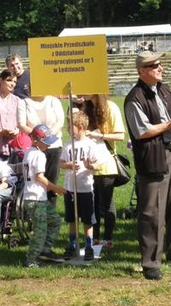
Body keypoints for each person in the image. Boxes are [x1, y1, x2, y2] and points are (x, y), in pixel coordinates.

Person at [124, 51, 171, 280]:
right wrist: (169, 124)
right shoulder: (134, 97)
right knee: (152, 213)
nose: (160, 68)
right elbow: (142, 131)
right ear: (142, 71)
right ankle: (151, 262)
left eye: (160, 64)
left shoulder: (165, 89)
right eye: (154, 66)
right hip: (153, 158)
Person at [80, 94, 126, 250]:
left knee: (106, 203)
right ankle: (94, 238)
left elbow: (120, 135)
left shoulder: (111, 107)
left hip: (106, 164)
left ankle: (108, 238)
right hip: (88, 165)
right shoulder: (85, 108)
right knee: (91, 204)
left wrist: (100, 135)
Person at [22, 124, 66, 268]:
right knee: (40, 230)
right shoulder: (39, 155)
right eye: (45, 141)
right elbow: (40, 177)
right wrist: (56, 188)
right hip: (35, 198)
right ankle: (31, 260)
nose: (48, 144)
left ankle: (45, 250)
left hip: (35, 197)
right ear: (35, 140)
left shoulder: (29, 152)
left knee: (55, 221)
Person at [61, 112, 101, 261]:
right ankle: (72, 245)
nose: (68, 130)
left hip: (85, 187)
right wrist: (68, 165)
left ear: (80, 127)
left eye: (70, 127)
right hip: (70, 188)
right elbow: (61, 163)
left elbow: (97, 164)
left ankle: (89, 245)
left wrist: (89, 165)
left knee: (87, 219)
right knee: (72, 218)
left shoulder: (91, 144)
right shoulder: (68, 144)